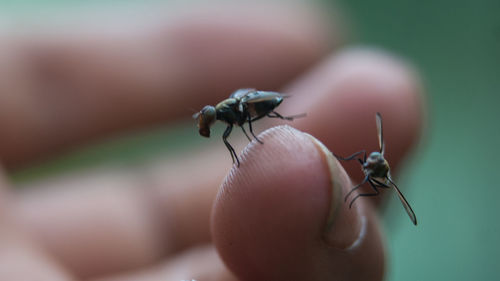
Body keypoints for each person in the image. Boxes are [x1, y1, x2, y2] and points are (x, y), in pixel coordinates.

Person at [0, 2, 423, 281]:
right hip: (257, 108)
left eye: (205, 120)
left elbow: (247, 109)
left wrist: (266, 128)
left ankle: (285, 123)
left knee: (268, 137)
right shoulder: (224, 114)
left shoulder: (230, 112)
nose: (206, 123)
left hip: (261, 104)